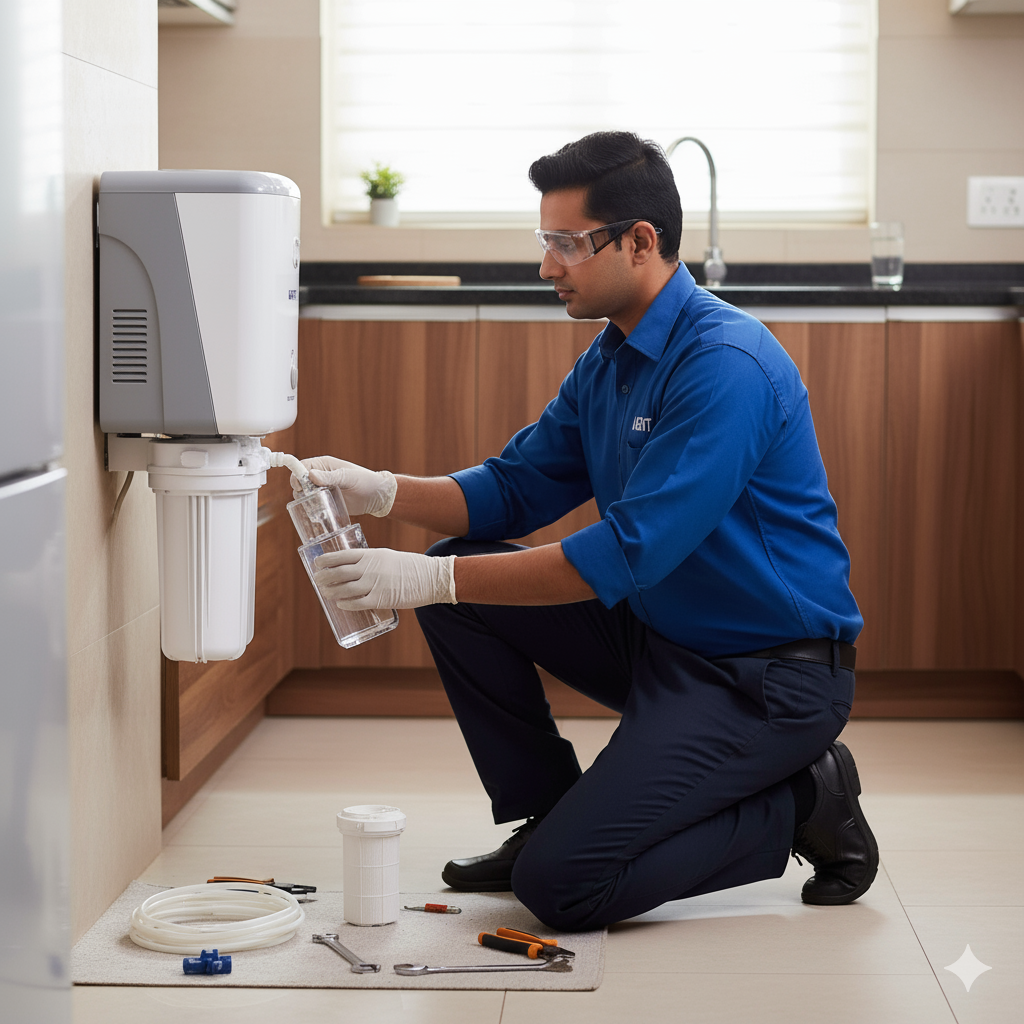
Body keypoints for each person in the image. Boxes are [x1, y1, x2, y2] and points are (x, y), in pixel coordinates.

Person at [292, 131, 878, 932]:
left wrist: (427, 581)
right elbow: (515, 487)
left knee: (564, 888)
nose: (547, 266)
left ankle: (805, 796)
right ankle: (547, 810)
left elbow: (628, 551)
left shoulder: (727, 364)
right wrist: (382, 491)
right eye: (546, 241)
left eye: (567, 244)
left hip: (766, 679)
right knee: (459, 572)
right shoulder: (610, 360)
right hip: (660, 642)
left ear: (641, 243)